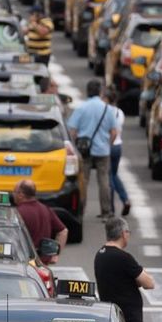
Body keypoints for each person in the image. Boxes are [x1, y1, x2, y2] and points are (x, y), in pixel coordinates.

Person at [94, 217, 155, 322]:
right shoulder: (124, 257)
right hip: (129, 320)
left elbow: (119, 278)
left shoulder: (100, 255)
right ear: (123, 234)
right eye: (128, 232)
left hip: (111, 316)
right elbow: (149, 283)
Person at [67, 79, 120, 219]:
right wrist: (107, 145)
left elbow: (72, 131)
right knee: (104, 181)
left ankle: (81, 210)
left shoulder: (81, 108)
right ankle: (106, 211)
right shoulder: (107, 109)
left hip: (85, 151)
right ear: (100, 91)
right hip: (103, 151)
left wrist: (76, 145)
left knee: (83, 181)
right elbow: (114, 132)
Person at [12, 179, 67, 264]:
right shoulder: (46, 209)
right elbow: (63, 231)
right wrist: (55, 255)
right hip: (42, 264)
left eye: (14, 192)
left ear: (21, 194)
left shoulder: (17, 213)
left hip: (24, 262)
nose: (13, 195)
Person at [105, 86, 131, 216]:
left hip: (108, 145)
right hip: (118, 146)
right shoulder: (120, 112)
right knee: (114, 175)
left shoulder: (105, 112)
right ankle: (125, 199)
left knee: (108, 178)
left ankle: (110, 208)